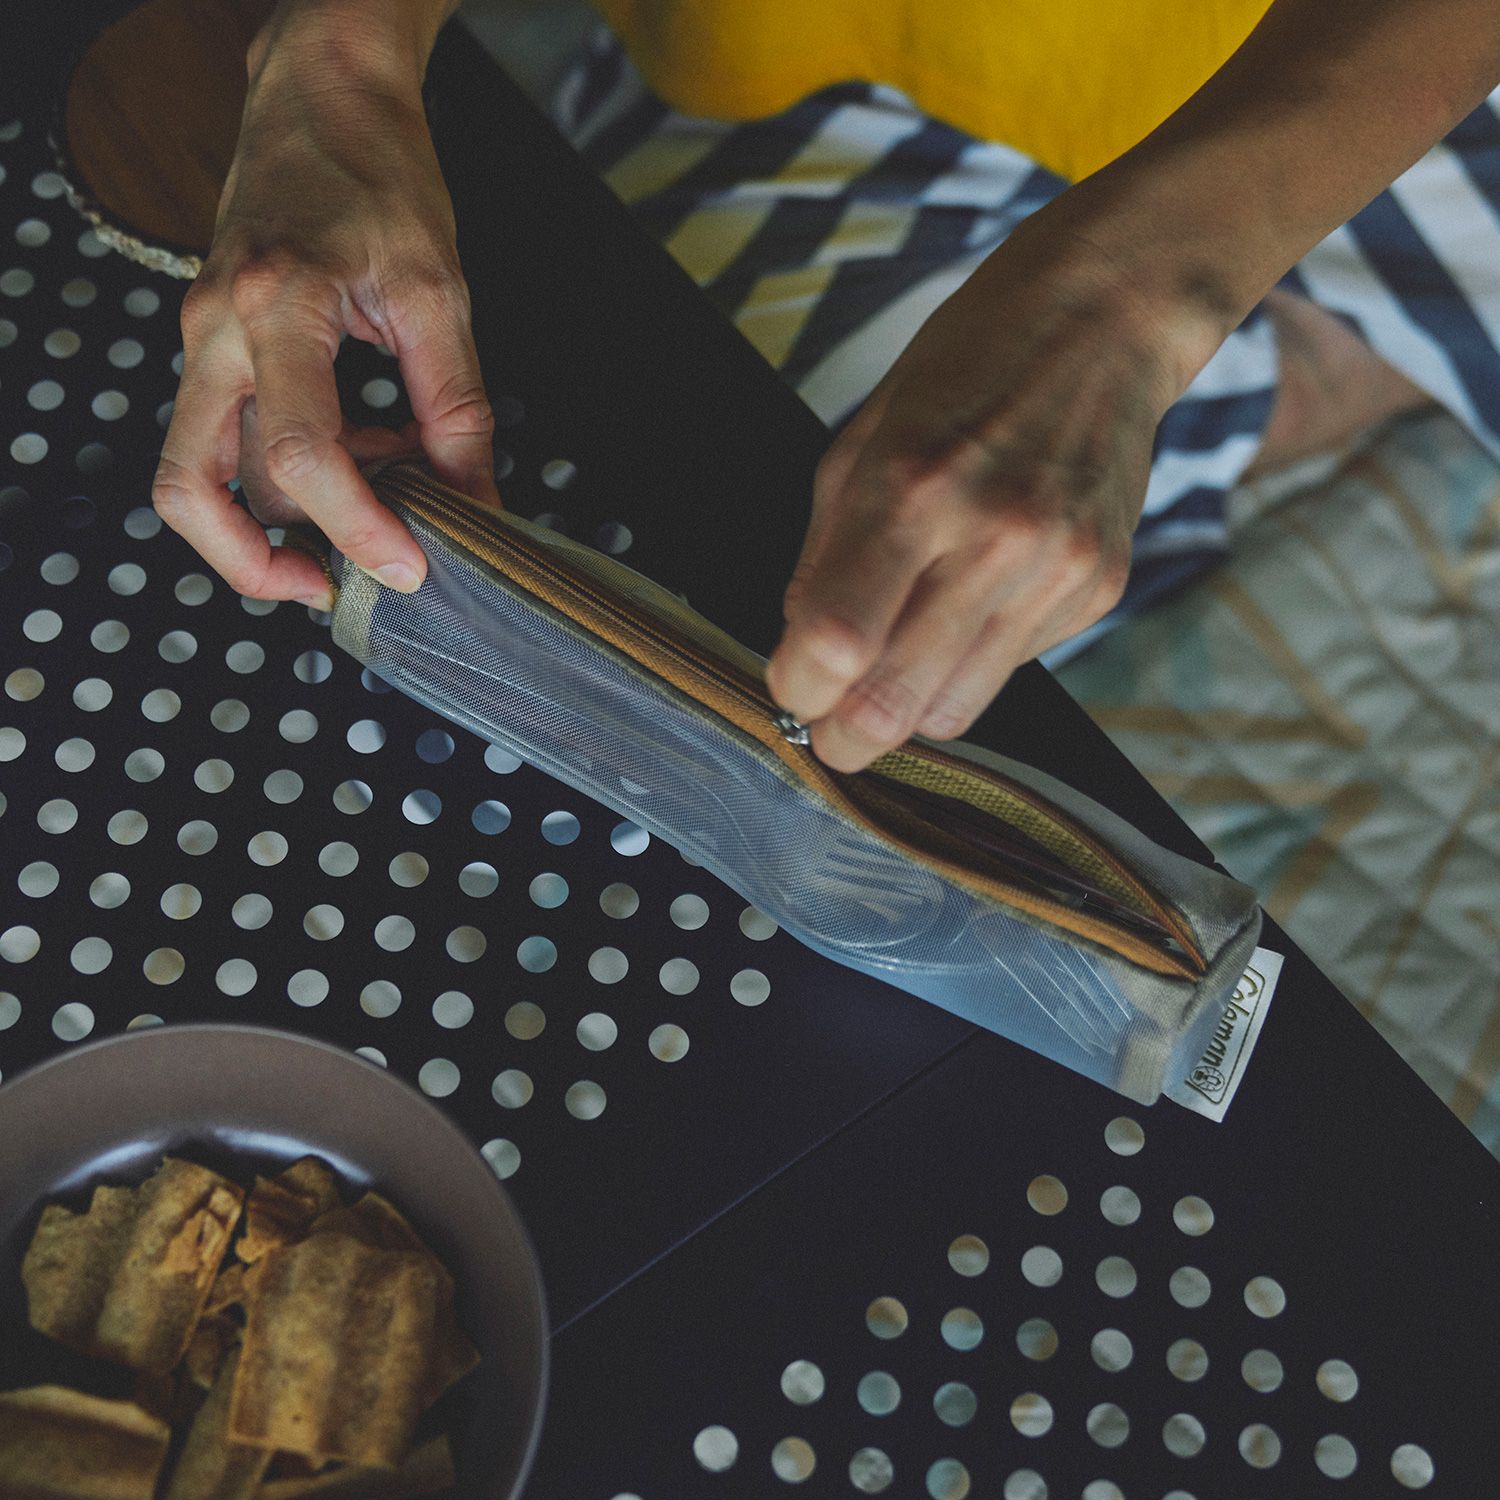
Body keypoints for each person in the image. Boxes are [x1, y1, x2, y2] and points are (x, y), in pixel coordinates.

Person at [147, 0, 1500, 772]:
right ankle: (1303, 373)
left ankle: (1328, 342)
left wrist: (1134, 298)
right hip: (831, 45)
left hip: (1404, 67)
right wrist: (335, 61)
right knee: (745, 565)